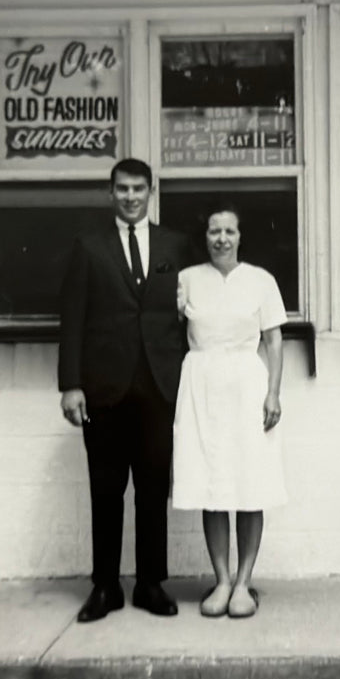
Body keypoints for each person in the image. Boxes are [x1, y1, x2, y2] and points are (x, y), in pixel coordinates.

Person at [58, 159, 194, 622]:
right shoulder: (87, 246)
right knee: (106, 488)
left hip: (158, 387)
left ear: (151, 191)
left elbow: (190, 315)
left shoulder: (175, 244)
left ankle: (151, 583)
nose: (130, 196)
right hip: (103, 388)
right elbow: (72, 318)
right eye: (122, 188)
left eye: (138, 188)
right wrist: (71, 385)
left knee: (154, 488)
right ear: (109, 192)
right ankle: (105, 585)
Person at [172, 206, 288, 619]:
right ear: (204, 236)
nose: (222, 238)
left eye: (230, 231)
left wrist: (273, 393)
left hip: (247, 384)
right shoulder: (186, 279)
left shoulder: (261, 280)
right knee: (212, 485)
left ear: (241, 236)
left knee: (248, 484)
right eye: (214, 231)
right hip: (200, 384)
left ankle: (243, 582)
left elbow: (274, 341)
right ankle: (221, 580)